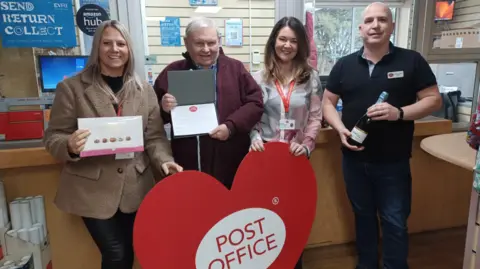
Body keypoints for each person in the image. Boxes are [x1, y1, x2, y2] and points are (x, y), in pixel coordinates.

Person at [43, 20, 182, 269]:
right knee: (116, 253)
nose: (114, 49)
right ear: (97, 48)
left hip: (135, 188)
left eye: (121, 43)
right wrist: (70, 145)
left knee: (130, 253)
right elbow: (53, 137)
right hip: (91, 189)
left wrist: (164, 161)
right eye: (107, 43)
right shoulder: (72, 88)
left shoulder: (144, 90)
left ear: (129, 49)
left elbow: (154, 137)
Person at [321, 3, 442, 269]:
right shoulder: (344, 65)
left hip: (393, 162)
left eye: (382, 20)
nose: (375, 25)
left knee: (395, 220)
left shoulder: (412, 61)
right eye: (370, 20)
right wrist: (339, 128)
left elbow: (433, 100)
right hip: (353, 159)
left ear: (392, 26)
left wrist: (398, 112)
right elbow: (327, 103)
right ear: (360, 28)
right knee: (362, 217)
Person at [153, 17, 263, 189]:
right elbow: (155, 119)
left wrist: (231, 126)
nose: (206, 49)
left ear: (219, 41)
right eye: (199, 43)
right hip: (187, 165)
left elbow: (255, 103)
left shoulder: (236, 69)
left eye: (211, 43)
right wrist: (164, 107)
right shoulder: (172, 73)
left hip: (230, 165)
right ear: (186, 43)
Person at [249, 16, 323, 269]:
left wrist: (308, 144)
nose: (287, 45)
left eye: (293, 40)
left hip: (295, 160)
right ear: (273, 41)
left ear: (301, 45)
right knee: (264, 221)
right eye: (282, 39)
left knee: (293, 222)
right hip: (265, 159)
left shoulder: (311, 78)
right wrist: (254, 137)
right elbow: (252, 116)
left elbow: (315, 117)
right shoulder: (257, 78)